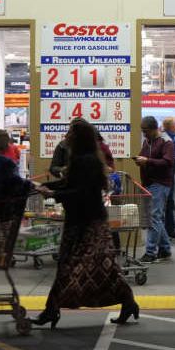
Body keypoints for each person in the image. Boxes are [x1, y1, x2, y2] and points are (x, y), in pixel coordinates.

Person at [32, 119, 139, 328]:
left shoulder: (86, 161)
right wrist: (45, 186)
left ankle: (51, 310)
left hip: (88, 223)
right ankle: (128, 302)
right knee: (101, 268)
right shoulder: (83, 159)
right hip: (85, 220)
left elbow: (82, 192)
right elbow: (70, 184)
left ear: (78, 137)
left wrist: (53, 192)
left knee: (71, 266)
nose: (67, 135)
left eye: (71, 132)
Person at [137, 116, 175, 264]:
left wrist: (147, 161)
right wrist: (141, 160)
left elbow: (168, 162)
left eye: (146, 131)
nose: (144, 134)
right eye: (142, 131)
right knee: (156, 218)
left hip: (161, 184)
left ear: (154, 129)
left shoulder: (167, 142)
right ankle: (165, 249)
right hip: (149, 183)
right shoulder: (147, 142)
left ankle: (150, 252)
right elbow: (144, 156)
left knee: (154, 217)